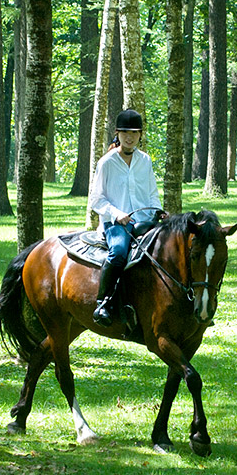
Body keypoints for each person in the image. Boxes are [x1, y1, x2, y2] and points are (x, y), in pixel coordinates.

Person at [87, 109, 163, 327]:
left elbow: (151, 192)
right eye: (125, 133)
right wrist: (116, 213)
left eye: (134, 133)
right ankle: (103, 303)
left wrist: (158, 210)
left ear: (140, 135)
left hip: (144, 221)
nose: (130, 137)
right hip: (115, 224)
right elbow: (96, 200)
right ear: (117, 134)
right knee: (119, 252)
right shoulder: (107, 162)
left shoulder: (145, 161)